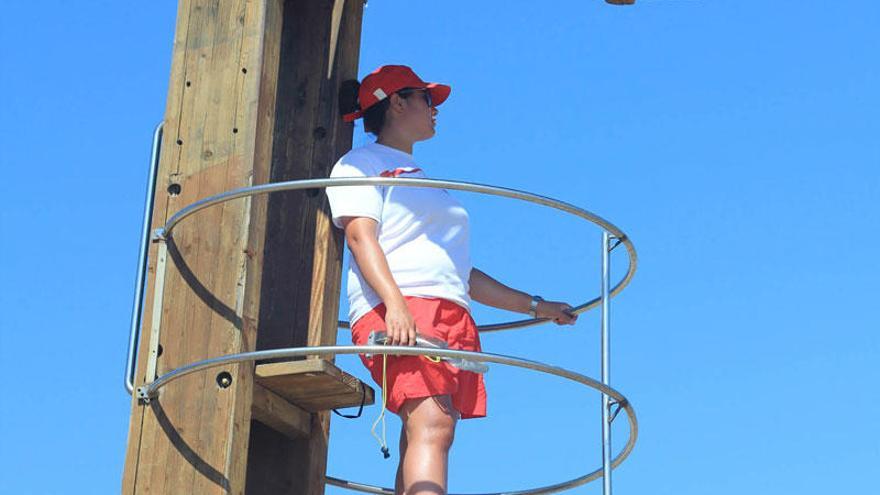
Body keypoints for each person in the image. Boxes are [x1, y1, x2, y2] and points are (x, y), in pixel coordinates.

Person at [326, 64, 578, 495]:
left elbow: (460, 272)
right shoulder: (360, 164)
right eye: (427, 98)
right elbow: (358, 235)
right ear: (397, 103)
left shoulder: (424, 181)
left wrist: (536, 306)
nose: (436, 109)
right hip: (401, 308)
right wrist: (396, 307)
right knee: (432, 423)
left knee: (426, 428)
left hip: (449, 312)